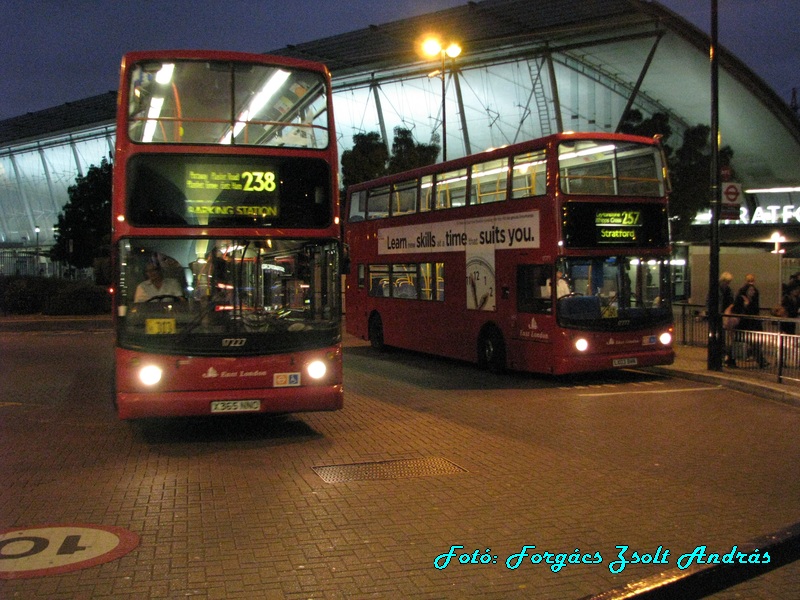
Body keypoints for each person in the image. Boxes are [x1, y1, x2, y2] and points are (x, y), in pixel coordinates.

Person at [731, 282, 767, 368]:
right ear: (746, 291)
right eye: (750, 290)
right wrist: (745, 306)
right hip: (743, 325)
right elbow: (737, 310)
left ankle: (761, 361)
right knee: (739, 342)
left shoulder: (754, 300)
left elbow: (755, 312)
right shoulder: (741, 299)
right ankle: (730, 360)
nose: (752, 291)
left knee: (753, 343)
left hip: (751, 325)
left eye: (753, 290)